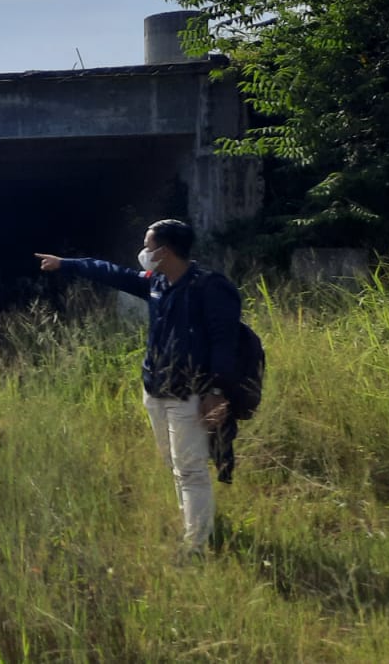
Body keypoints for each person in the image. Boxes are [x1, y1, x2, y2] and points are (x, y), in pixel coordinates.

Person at [34, 219, 242, 561]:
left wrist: (217, 391)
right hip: (156, 390)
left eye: (148, 245)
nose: (144, 252)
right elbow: (112, 272)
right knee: (173, 464)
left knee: (190, 470)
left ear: (165, 250)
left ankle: (195, 548)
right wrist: (66, 264)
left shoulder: (209, 287)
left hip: (190, 394)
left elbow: (225, 342)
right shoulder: (156, 282)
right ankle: (196, 525)